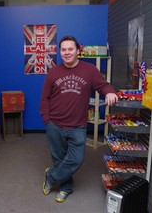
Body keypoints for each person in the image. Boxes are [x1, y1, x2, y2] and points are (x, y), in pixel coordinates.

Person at [39, 36, 118, 203]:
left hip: (78, 126)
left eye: (70, 49)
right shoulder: (53, 72)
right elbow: (45, 98)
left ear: (78, 50)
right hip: (55, 124)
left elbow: (103, 85)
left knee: (76, 159)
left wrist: (109, 91)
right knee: (59, 159)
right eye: (63, 50)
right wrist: (47, 120)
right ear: (60, 52)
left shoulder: (89, 70)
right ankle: (66, 188)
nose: (67, 53)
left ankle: (51, 177)